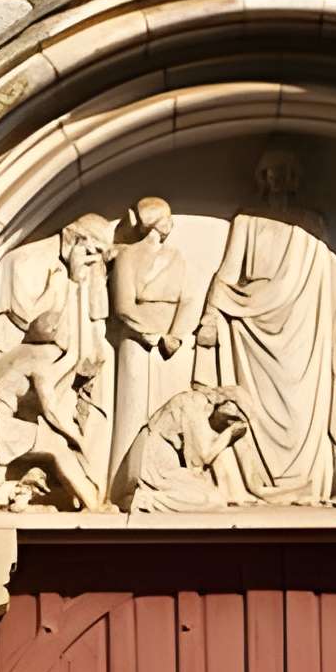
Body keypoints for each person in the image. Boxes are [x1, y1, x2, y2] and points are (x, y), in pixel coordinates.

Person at [195, 145, 336, 503]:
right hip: (252, 328)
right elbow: (227, 274)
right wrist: (210, 316)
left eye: (287, 171)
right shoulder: (248, 220)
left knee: (303, 410)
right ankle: (251, 483)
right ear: (263, 177)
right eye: (273, 171)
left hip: (304, 326)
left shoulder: (313, 222)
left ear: (296, 179)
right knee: (253, 409)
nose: (280, 178)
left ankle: (305, 483)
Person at [0, 310, 103, 512]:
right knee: (55, 445)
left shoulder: (22, 352)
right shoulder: (40, 359)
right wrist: (77, 439)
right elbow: (50, 411)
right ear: (56, 333)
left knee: (47, 443)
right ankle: (93, 505)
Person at [107, 195, 201, 491]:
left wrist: (175, 336)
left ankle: (167, 477)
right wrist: (151, 335)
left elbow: (188, 300)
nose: (171, 223)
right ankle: (125, 483)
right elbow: (123, 306)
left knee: (170, 411)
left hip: (170, 347)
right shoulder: (127, 256)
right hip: (137, 341)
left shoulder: (177, 257)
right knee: (133, 410)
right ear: (156, 222)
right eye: (167, 217)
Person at [124, 385, 252, 513]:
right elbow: (201, 458)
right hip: (153, 459)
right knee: (211, 499)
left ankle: (147, 498)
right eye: (232, 420)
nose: (226, 425)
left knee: (213, 496)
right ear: (228, 404)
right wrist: (227, 436)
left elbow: (198, 463)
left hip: (163, 459)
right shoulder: (195, 403)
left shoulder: (203, 408)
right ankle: (144, 500)